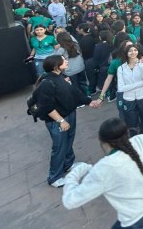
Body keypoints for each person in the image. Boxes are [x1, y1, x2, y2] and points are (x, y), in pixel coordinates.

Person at [62, 118, 143, 228]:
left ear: (104, 143)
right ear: (127, 133)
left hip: (134, 218)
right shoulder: (141, 140)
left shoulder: (103, 169)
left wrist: (77, 171)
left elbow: (70, 200)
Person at [31, 55, 98, 187]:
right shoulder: (47, 82)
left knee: (68, 141)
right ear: (56, 66)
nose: (66, 61)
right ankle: (54, 177)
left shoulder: (61, 76)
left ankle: (69, 164)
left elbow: (74, 92)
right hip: (58, 120)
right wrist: (61, 120)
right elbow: (47, 106)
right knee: (59, 147)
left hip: (69, 114)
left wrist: (89, 101)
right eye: (63, 60)